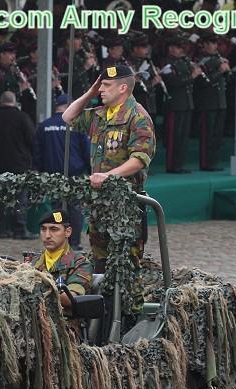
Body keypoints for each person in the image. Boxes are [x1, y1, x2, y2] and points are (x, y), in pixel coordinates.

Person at [62, 63, 156, 314]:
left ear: (123, 87)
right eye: (101, 85)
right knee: (100, 260)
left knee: (126, 264)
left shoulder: (137, 117)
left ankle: (128, 315)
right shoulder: (102, 114)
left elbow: (139, 159)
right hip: (100, 205)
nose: (101, 89)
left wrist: (109, 176)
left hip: (126, 207)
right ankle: (102, 316)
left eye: (106, 85)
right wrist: (91, 92)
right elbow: (68, 117)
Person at [33, 94, 91, 250]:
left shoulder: (44, 126)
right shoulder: (76, 124)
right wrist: (91, 170)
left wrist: (39, 171)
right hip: (75, 175)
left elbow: (37, 152)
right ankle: (75, 242)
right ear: (68, 106)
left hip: (53, 176)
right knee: (75, 209)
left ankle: (58, 241)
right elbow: (87, 151)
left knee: (57, 209)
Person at [0, 91, 35, 239]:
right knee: (20, 197)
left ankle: (2, 229)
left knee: (2, 197)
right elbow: (32, 139)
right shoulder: (22, 117)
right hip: (20, 163)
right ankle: (19, 229)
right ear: (14, 102)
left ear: (1, 102)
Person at [30, 210, 92, 311]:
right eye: (43, 229)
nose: (47, 235)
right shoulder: (32, 263)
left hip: (64, 323)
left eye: (54, 229)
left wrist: (36, 289)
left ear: (68, 232)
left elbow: (70, 299)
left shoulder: (80, 264)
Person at [161, 36, 200, 173]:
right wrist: (192, 76)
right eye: (175, 47)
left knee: (183, 137)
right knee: (174, 137)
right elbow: (173, 82)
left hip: (187, 103)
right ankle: (172, 165)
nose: (177, 50)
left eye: (179, 47)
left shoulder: (185, 61)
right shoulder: (167, 63)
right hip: (175, 104)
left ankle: (180, 164)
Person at [195, 32, 230, 171]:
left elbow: (226, 80)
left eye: (214, 43)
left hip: (220, 101)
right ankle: (205, 163)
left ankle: (213, 161)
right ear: (203, 45)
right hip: (207, 102)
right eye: (209, 43)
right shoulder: (201, 60)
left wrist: (226, 70)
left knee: (217, 135)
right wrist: (219, 72)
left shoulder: (218, 58)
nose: (212, 46)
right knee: (207, 134)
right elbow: (203, 82)